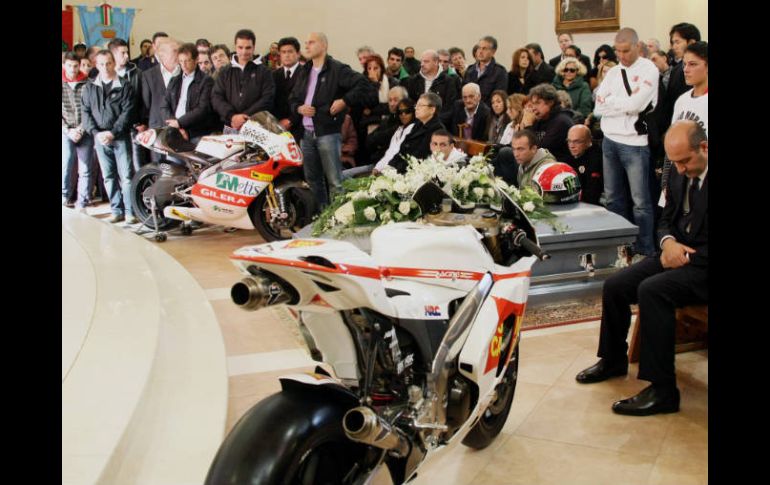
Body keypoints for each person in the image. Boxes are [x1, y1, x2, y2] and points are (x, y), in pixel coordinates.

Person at [575, 120, 708, 417]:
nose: (681, 169)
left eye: (685, 161)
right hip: (676, 253)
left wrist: (682, 257)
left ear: (704, 147)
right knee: (616, 285)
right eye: (675, 162)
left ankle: (663, 390)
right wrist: (668, 243)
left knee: (653, 291)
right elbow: (664, 219)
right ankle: (612, 359)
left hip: (702, 266)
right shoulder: (676, 171)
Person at [289, 32, 377, 207]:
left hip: (327, 133)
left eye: (311, 42)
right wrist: (299, 108)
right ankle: (321, 217)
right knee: (313, 179)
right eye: (306, 43)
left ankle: (338, 220)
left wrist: (344, 101)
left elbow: (363, 85)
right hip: (307, 134)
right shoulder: (304, 70)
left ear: (324, 46)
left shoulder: (337, 69)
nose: (306, 46)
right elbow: (292, 98)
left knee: (335, 181)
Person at [594, 27, 659, 258]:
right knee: (613, 199)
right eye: (618, 51)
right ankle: (619, 248)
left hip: (635, 142)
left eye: (626, 50)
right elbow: (598, 107)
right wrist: (619, 103)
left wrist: (613, 102)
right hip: (610, 139)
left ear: (637, 46)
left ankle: (645, 249)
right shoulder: (613, 73)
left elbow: (636, 105)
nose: (621, 56)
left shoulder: (649, 69)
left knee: (640, 201)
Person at [81, 49, 137, 224]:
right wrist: (97, 134)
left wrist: (113, 133)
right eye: (101, 64)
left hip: (120, 137)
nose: (105, 67)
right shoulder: (89, 87)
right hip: (100, 139)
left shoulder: (125, 86)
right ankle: (116, 210)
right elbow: (86, 112)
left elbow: (128, 112)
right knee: (108, 176)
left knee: (126, 176)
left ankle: (130, 212)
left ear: (114, 63)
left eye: (108, 63)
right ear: (96, 65)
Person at [212, 29, 275, 130]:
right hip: (230, 125)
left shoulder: (265, 72)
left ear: (253, 47)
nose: (244, 51)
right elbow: (216, 97)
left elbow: (268, 98)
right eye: (240, 47)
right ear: (235, 47)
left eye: (248, 47)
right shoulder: (225, 72)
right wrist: (232, 116)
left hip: (256, 126)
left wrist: (243, 117)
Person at [159, 43, 217, 144]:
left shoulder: (206, 81)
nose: (183, 65)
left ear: (196, 60)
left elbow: (203, 109)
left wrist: (179, 123)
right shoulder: (174, 80)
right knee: (171, 159)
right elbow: (164, 106)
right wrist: (175, 125)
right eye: (181, 61)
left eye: (187, 61)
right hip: (175, 130)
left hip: (195, 133)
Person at [62, 51, 94, 211]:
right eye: (69, 65)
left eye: (76, 66)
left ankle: (82, 202)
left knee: (85, 168)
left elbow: (91, 109)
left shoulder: (88, 83)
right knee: (66, 164)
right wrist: (68, 130)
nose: (73, 69)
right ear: (63, 65)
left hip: (85, 130)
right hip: (66, 130)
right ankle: (64, 197)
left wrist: (81, 129)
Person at [384, 92, 445, 173]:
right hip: (403, 169)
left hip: (417, 174)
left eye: (420, 105)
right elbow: (402, 150)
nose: (416, 108)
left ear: (432, 110)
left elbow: (418, 158)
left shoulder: (437, 131)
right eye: (416, 105)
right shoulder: (418, 125)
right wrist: (389, 167)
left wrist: (395, 171)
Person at [403, 49, 460, 127]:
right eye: (421, 61)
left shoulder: (448, 81)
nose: (422, 64)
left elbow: (450, 108)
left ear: (436, 62)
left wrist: (433, 123)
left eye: (426, 61)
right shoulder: (413, 80)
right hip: (416, 125)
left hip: (439, 126)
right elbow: (410, 104)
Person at [519, 83, 574, 162]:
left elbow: (540, 152)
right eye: (533, 104)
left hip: (557, 166)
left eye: (538, 103)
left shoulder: (561, 121)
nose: (534, 108)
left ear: (550, 102)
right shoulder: (539, 118)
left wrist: (528, 127)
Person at [366, 86, 409, 164]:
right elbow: (368, 141)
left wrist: (378, 139)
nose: (392, 104)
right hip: (377, 162)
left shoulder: (408, 121)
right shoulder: (387, 119)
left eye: (396, 100)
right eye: (390, 100)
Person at [372, 97, 416, 173]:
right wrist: (377, 168)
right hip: (384, 169)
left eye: (407, 111)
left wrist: (383, 170)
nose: (403, 115)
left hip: (399, 172)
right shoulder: (399, 129)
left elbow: (397, 153)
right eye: (400, 112)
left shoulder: (414, 128)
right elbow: (389, 152)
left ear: (413, 112)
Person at [462, 35, 508, 107]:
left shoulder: (500, 72)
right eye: (479, 48)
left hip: (488, 113)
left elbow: (498, 97)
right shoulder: (470, 70)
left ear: (493, 52)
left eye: (484, 49)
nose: (480, 51)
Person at [272, 36, 302, 139]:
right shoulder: (273, 75)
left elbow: (308, 101)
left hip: (300, 127)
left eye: (290, 51)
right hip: (277, 127)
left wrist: (291, 120)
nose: (287, 55)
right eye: (283, 52)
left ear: (298, 54)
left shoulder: (306, 74)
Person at [566, 125, 603, 205]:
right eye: (569, 141)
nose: (572, 146)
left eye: (577, 141)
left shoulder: (597, 158)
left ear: (589, 141)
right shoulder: (567, 156)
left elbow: (593, 193)